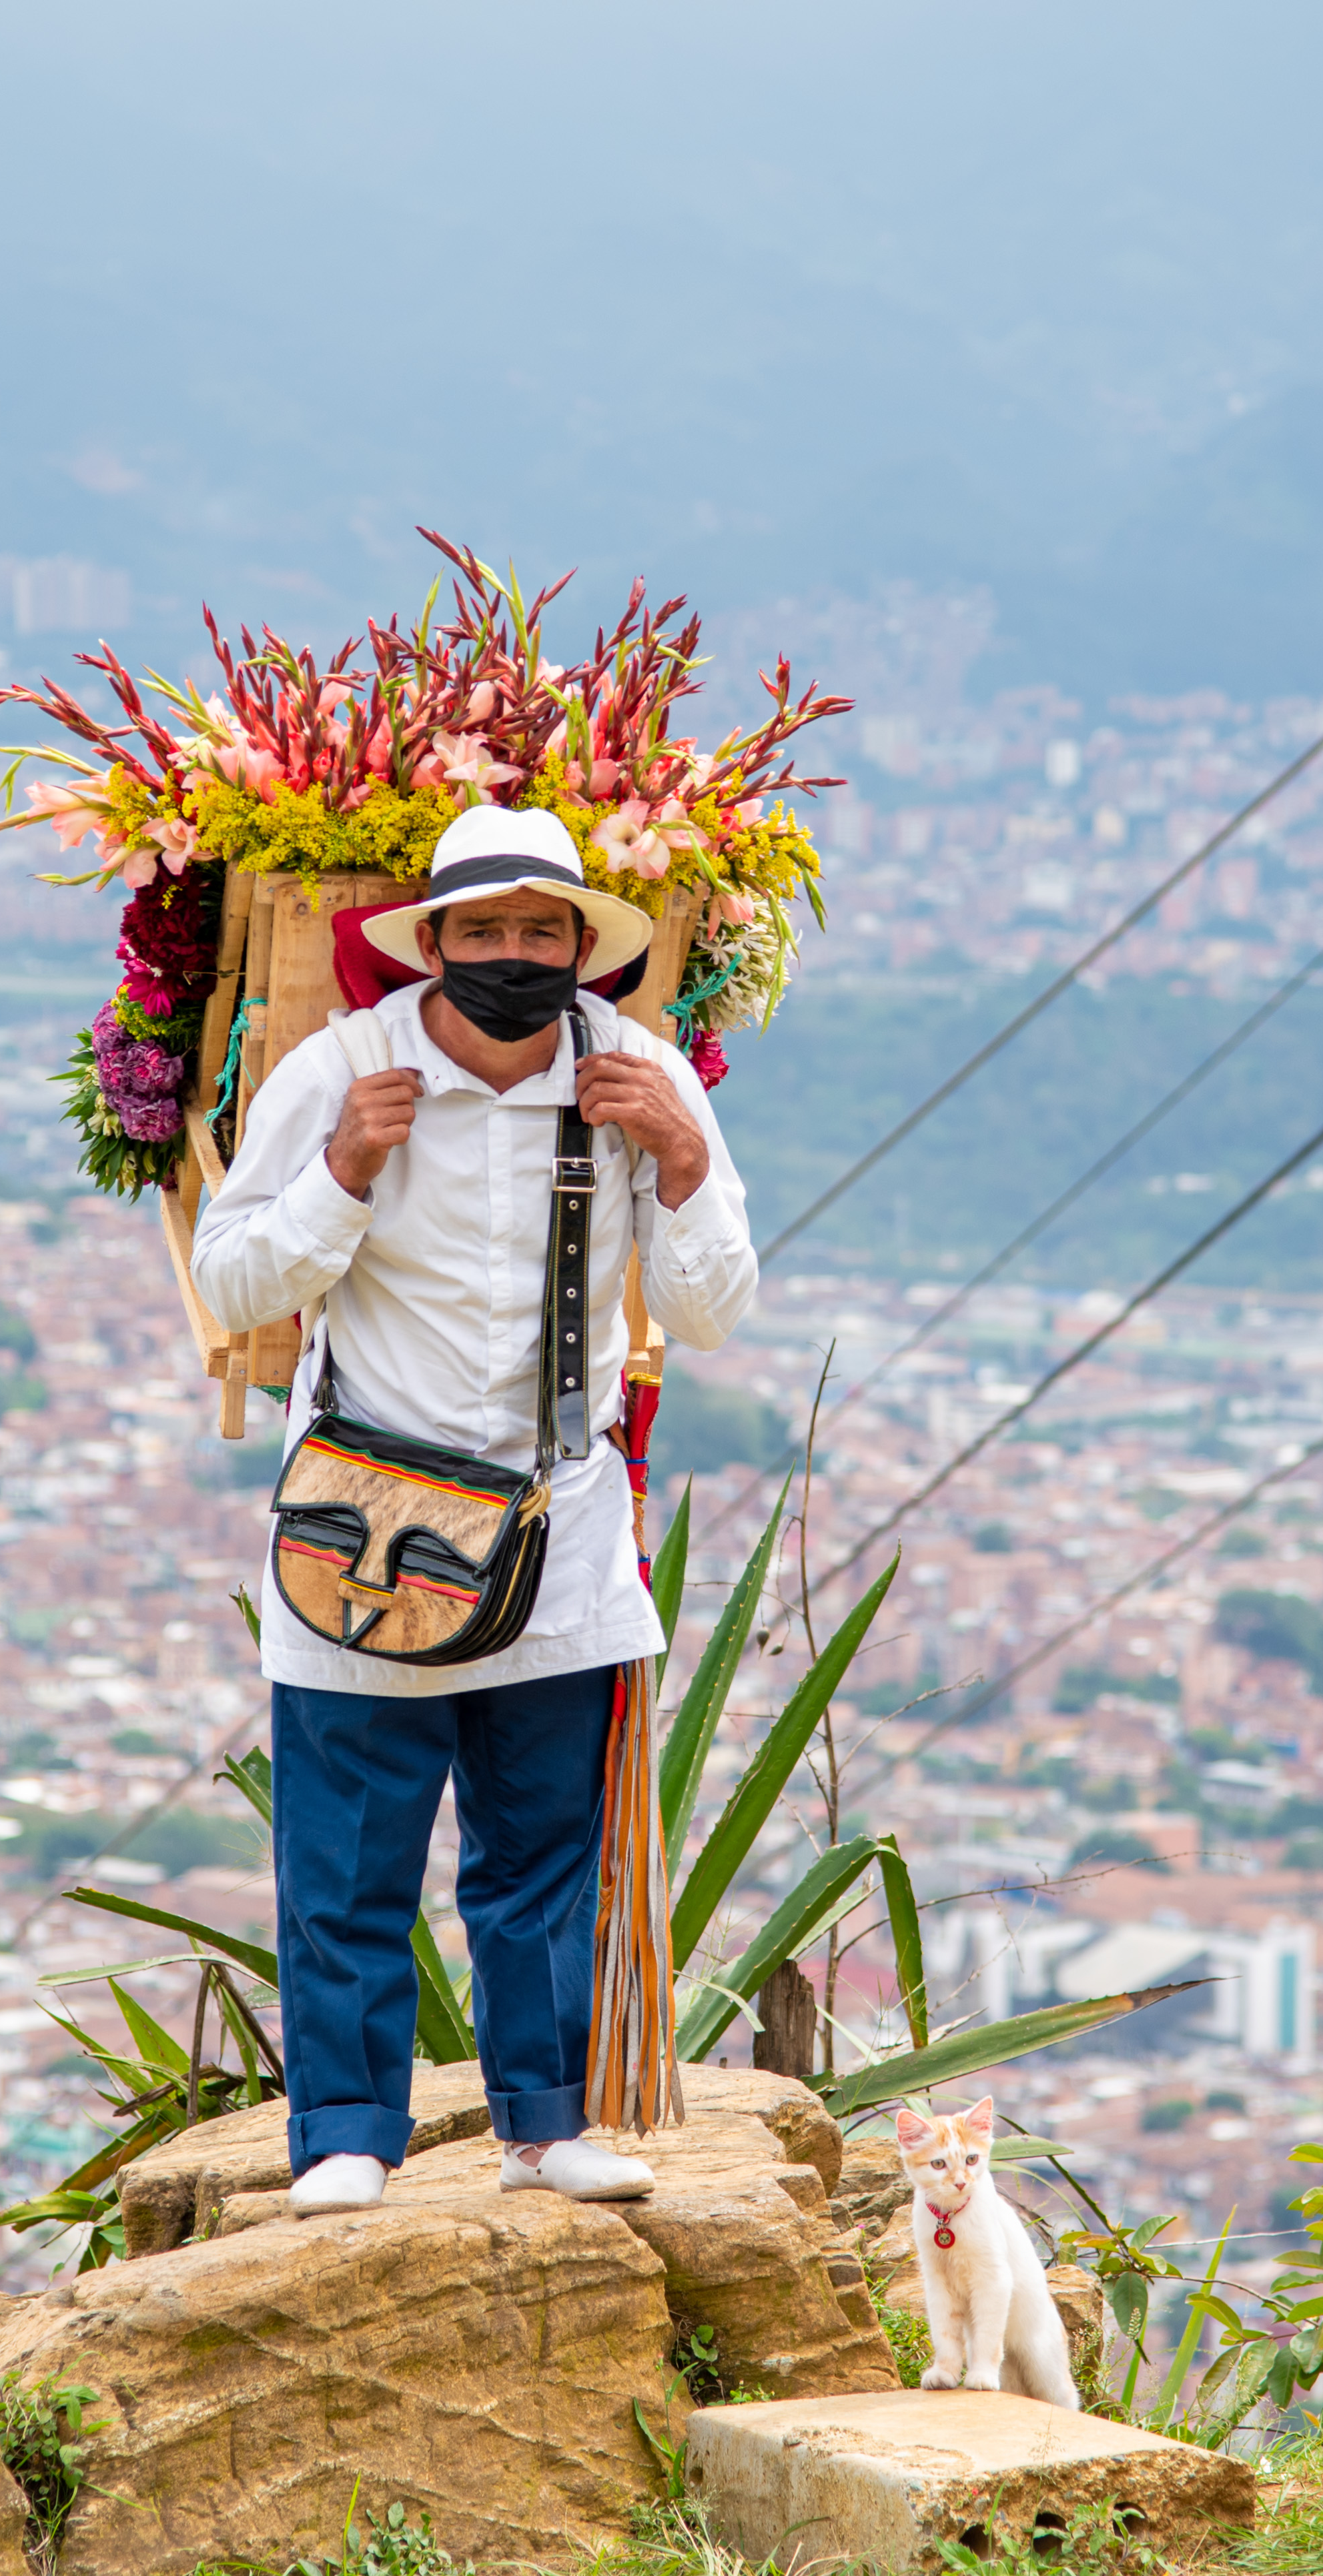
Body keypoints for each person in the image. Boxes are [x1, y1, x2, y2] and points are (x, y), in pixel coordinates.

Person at [192, 801, 756, 2213]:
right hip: (369, 1524)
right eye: (486, 929)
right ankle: (341, 2135)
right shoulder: (340, 1072)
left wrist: (681, 1164)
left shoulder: (638, 1073)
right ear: (429, 943)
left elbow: (716, 1308)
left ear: (585, 946)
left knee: (541, 1850)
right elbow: (233, 1283)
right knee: (347, 1855)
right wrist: (340, 1174)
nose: (515, 952)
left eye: (542, 930)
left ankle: (546, 2123)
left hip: (557, 1524)